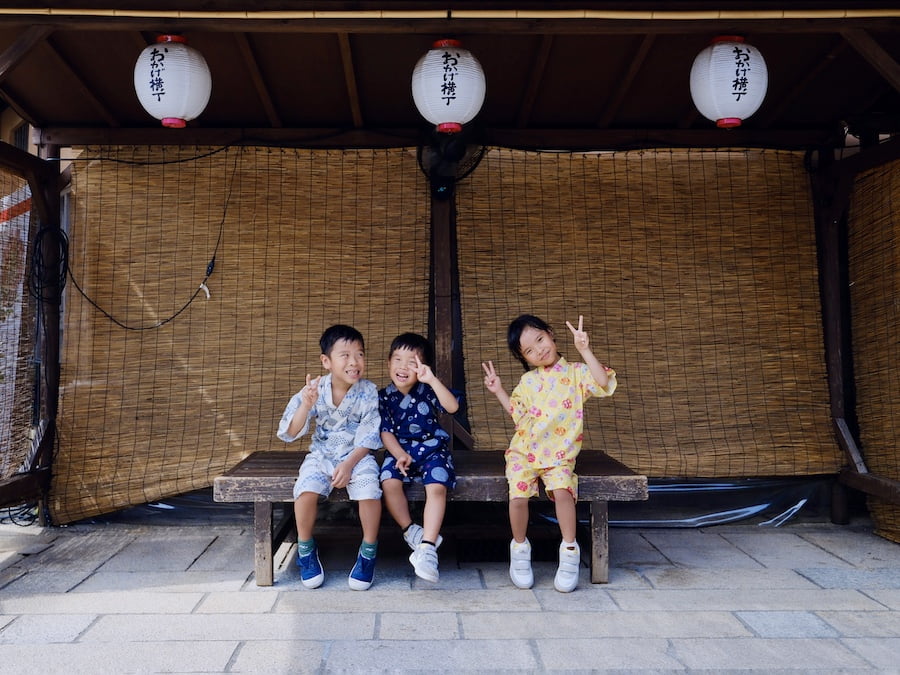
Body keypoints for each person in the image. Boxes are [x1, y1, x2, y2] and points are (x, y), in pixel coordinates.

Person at [482, 314, 616, 593]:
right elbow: (518, 415)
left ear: (551, 334)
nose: (539, 350)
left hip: (559, 455)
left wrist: (584, 349)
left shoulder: (576, 373)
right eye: (529, 350)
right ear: (524, 358)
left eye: (540, 339)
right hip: (524, 451)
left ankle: (569, 551)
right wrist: (499, 391)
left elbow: (603, 381)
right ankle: (520, 549)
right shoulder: (528, 382)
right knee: (518, 496)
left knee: (563, 491)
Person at [277, 324, 383, 591]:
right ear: (326, 361)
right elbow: (291, 431)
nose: (354, 362)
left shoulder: (368, 391)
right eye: (345, 355)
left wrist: (348, 465)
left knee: (370, 490)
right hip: (322, 454)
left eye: (359, 354)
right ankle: (305, 549)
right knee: (306, 490)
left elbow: (370, 435)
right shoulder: (315, 389)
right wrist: (306, 405)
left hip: (357, 456)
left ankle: (368, 552)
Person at [379, 333, 459, 582]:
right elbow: (385, 432)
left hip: (432, 449)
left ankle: (427, 546)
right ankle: (410, 530)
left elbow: (452, 407)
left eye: (411, 362)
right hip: (400, 451)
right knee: (388, 481)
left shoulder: (427, 389)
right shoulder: (383, 397)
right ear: (388, 363)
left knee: (436, 486)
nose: (403, 367)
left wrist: (432, 379)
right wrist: (399, 454)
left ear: (423, 366)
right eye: (397, 359)